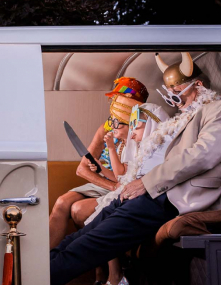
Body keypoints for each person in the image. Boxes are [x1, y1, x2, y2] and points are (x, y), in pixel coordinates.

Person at [50, 52, 221, 285]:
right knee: (88, 230)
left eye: (179, 92)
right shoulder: (185, 116)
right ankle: (37, 268)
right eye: (170, 93)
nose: (175, 100)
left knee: (96, 241)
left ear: (199, 85)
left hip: (175, 198)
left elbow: (201, 156)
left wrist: (146, 183)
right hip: (157, 191)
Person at [49, 77, 149, 249]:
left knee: (79, 210)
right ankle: (44, 264)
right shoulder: (107, 128)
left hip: (126, 181)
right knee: (61, 202)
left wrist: (119, 185)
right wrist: (111, 185)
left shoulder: (142, 128)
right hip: (107, 181)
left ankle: (101, 270)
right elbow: (82, 169)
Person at [89, 102, 169, 285]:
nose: (132, 133)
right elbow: (122, 177)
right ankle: (111, 276)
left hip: (150, 199)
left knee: (105, 221)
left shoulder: (157, 149)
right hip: (130, 191)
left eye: (135, 128)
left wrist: (109, 148)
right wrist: (99, 169)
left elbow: (122, 177)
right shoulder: (137, 146)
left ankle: (115, 277)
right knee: (97, 219)